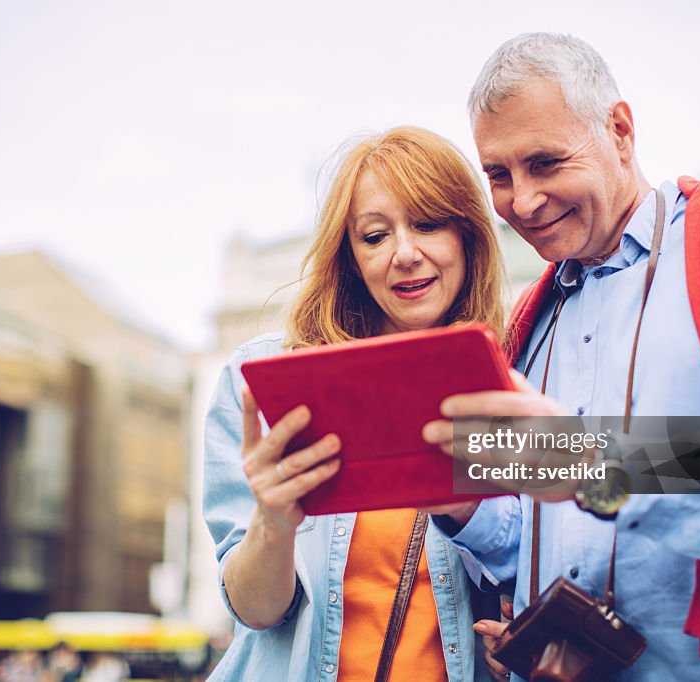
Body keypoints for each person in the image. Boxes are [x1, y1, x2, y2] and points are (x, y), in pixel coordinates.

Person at [421, 32, 700, 681]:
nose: (521, 201)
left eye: (545, 162)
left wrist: (595, 460)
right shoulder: (531, 324)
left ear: (620, 131)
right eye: (498, 175)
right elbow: (557, 530)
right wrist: (468, 512)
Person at [203, 126, 506, 681]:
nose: (405, 254)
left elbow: (657, 471)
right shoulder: (263, 384)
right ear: (350, 257)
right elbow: (256, 610)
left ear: (468, 234)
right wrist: (274, 523)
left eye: (429, 223)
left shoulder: (516, 383)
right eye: (374, 236)